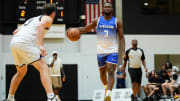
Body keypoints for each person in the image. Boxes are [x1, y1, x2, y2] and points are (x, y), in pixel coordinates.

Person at [69, 2, 125, 101]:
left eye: (109, 7)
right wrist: (73, 30)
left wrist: (123, 52)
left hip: (112, 51)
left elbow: (121, 37)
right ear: (103, 9)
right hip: (100, 51)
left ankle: (108, 93)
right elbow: (86, 29)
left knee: (111, 71)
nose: (107, 8)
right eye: (106, 7)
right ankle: (105, 86)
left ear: (111, 9)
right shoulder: (97, 20)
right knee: (102, 73)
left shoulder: (117, 22)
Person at [7, 3, 58, 101]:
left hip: (14, 42)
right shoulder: (48, 19)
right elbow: (40, 27)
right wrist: (40, 46)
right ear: (54, 13)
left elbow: (15, 32)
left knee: (21, 72)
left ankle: (10, 98)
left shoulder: (32, 19)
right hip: (24, 42)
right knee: (44, 67)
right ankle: (51, 97)